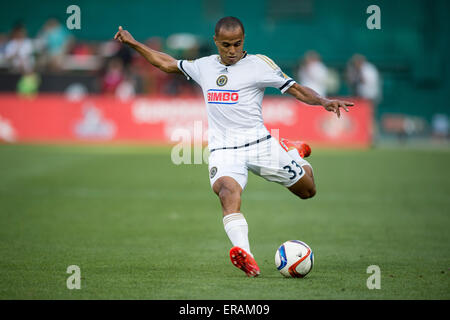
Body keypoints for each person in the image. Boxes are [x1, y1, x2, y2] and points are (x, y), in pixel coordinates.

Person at [114, 17, 353, 277]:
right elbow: (166, 63)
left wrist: (323, 100)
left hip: (261, 144)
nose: (231, 50)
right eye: (225, 45)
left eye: (237, 44)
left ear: (244, 41)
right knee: (227, 191)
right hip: (224, 150)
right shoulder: (203, 66)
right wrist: (134, 43)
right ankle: (245, 254)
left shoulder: (259, 65)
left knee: (308, 191)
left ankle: (293, 151)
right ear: (215, 42)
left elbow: (294, 89)